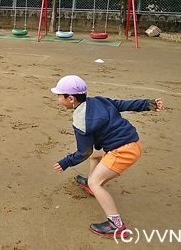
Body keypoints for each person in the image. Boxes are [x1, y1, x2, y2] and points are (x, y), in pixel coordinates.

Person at [50, 75, 163, 238]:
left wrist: (66, 162)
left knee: (96, 182)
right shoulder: (98, 100)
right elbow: (123, 104)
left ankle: (115, 225)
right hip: (133, 143)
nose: (58, 99)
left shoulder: (81, 119)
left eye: (59, 96)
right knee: (96, 156)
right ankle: (90, 184)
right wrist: (148, 104)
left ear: (71, 98)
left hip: (123, 151)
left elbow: (83, 152)